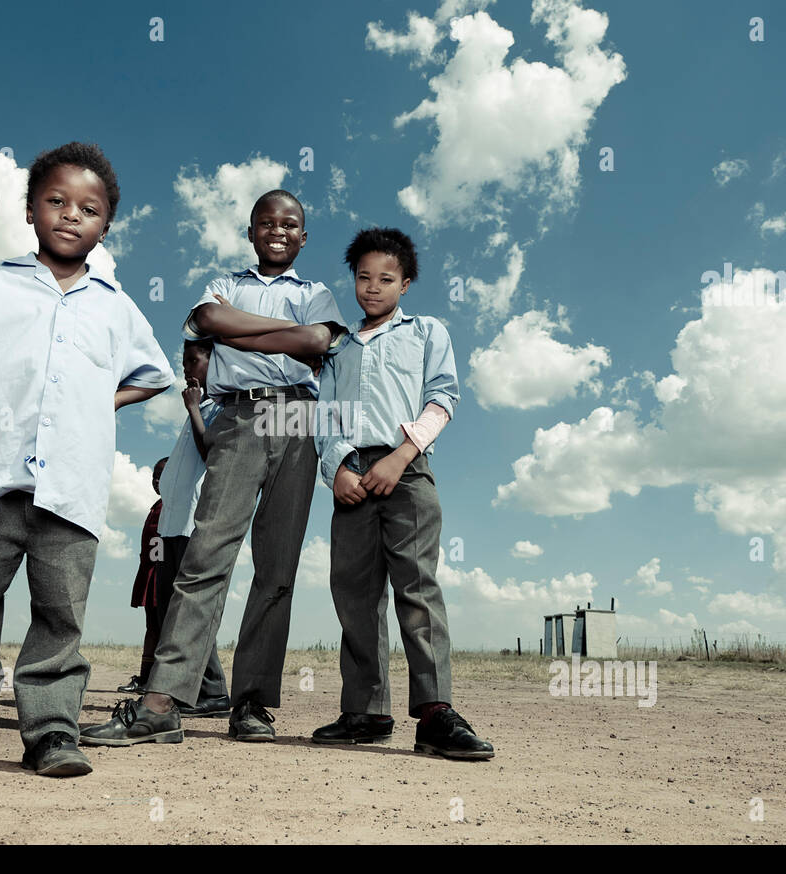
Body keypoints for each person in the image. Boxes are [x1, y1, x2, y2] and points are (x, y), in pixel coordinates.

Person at [0, 141, 173, 778]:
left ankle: (52, 733)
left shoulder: (115, 303)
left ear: (106, 225)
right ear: (30, 211)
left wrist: (96, 404)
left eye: (89, 208)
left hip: (73, 482)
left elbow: (156, 373)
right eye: (55, 201)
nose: (70, 215)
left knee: (60, 612)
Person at [80, 189, 344, 747]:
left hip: (299, 416)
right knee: (206, 554)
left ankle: (250, 704)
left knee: (277, 568)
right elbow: (206, 318)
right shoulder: (224, 283)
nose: (277, 230)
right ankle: (162, 702)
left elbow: (319, 339)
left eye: (289, 223)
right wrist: (281, 338)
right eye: (265, 222)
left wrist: (236, 332)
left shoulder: (316, 292)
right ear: (251, 232)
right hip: (240, 413)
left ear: (303, 236)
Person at [311, 227, 492, 760]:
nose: (372, 288)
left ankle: (436, 713)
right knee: (355, 595)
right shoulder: (338, 348)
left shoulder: (427, 331)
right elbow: (324, 414)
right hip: (351, 477)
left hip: (407, 470)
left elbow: (443, 398)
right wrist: (339, 467)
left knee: (416, 588)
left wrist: (400, 455)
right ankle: (366, 713)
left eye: (386, 279)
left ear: (406, 283)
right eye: (364, 277)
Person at [151, 339, 230, 717]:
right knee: (171, 607)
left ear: (216, 363)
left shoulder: (217, 406)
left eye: (193, 359)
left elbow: (210, 452)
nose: (186, 366)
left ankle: (213, 690)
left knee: (189, 608)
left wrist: (195, 408)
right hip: (171, 523)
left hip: (190, 522)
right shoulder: (196, 407)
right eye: (184, 360)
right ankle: (201, 687)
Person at [121, 459, 167, 694]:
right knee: (152, 627)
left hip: (163, 574)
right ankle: (145, 678)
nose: (157, 481)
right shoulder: (156, 506)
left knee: (163, 628)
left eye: (162, 476)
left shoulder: (173, 507)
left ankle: (159, 681)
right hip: (149, 572)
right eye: (154, 477)